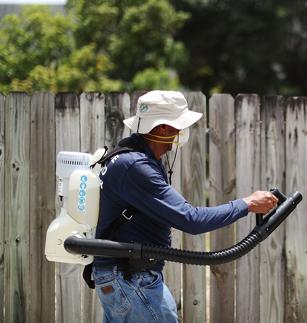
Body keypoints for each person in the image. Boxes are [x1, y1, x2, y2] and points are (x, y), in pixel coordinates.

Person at [92, 90, 278, 323]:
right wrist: (247, 204)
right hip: (131, 278)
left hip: (122, 276)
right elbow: (191, 219)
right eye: (177, 125)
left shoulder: (128, 157)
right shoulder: (136, 166)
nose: (180, 132)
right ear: (162, 128)